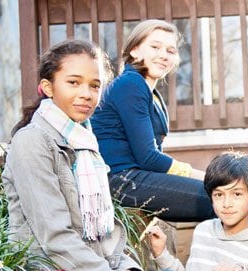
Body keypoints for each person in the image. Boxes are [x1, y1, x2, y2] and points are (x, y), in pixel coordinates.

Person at [4, 39, 231, 271]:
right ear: (47, 87)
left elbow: (106, 232)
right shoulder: (33, 142)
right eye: (73, 82)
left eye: (95, 85)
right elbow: (56, 240)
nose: (86, 93)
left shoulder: (87, 144)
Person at [91, 19, 213, 222]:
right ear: (135, 50)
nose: (163, 55)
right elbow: (149, 157)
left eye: (170, 50)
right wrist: (211, 179)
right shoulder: (131, 84)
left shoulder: (153, 94)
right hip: (118, 180)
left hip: (137, 177)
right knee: (222, 198)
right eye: (155, 47)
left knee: (229, 199)